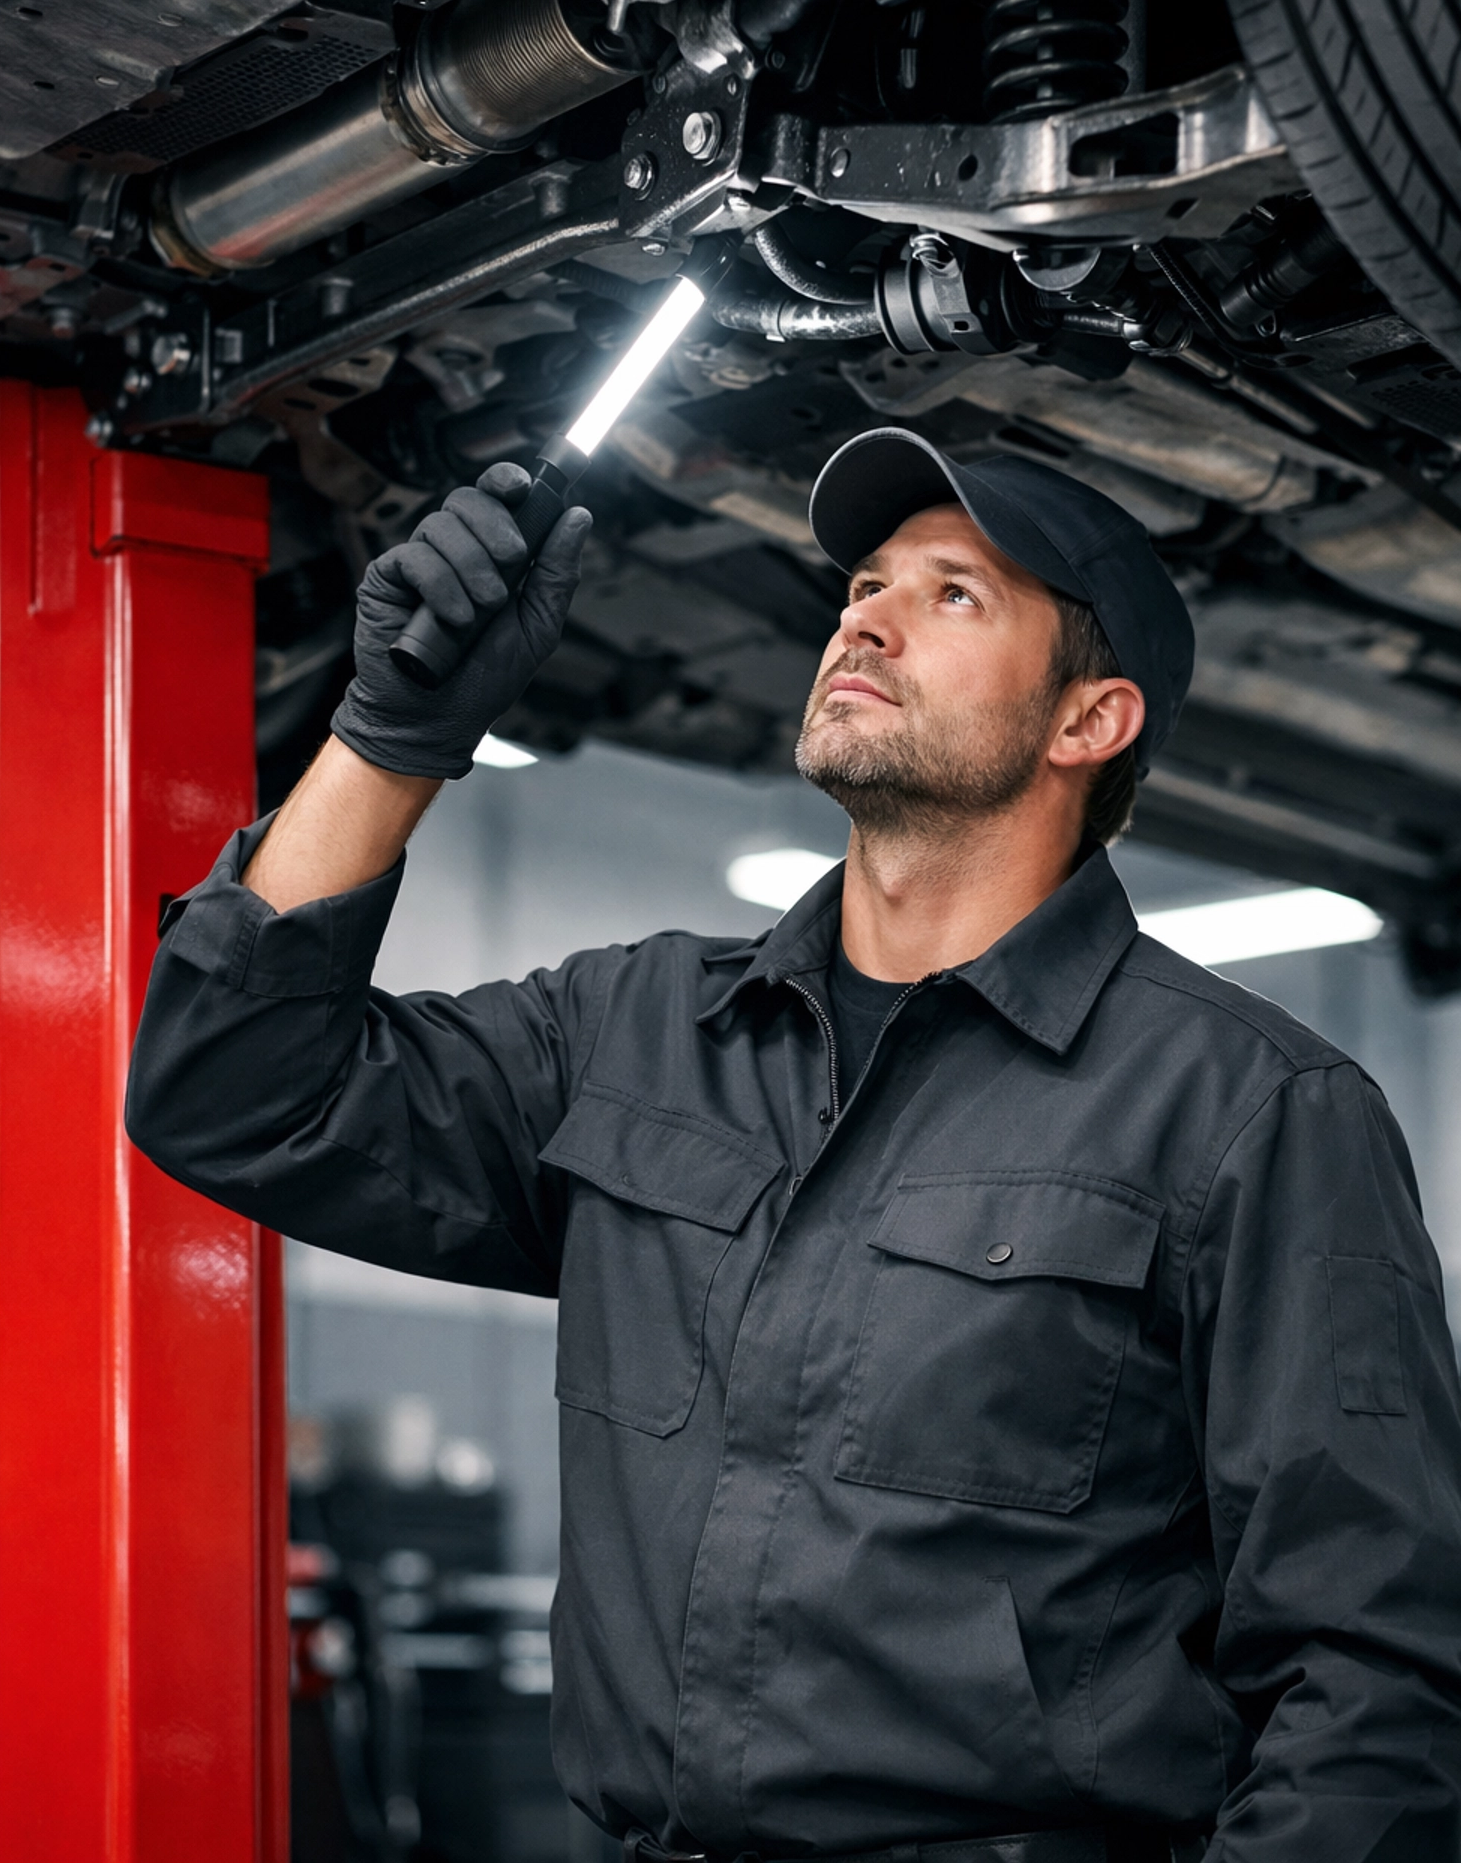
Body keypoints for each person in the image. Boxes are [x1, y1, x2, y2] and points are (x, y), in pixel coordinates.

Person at [125, 426, 1461, 1863]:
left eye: (954, 594)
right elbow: (235, 1090)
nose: (865, 617)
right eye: (864, 584)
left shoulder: (1250, 1109)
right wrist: (389, 739)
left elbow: (1370, 1671)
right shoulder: (633, 1029)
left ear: (1090, 720)